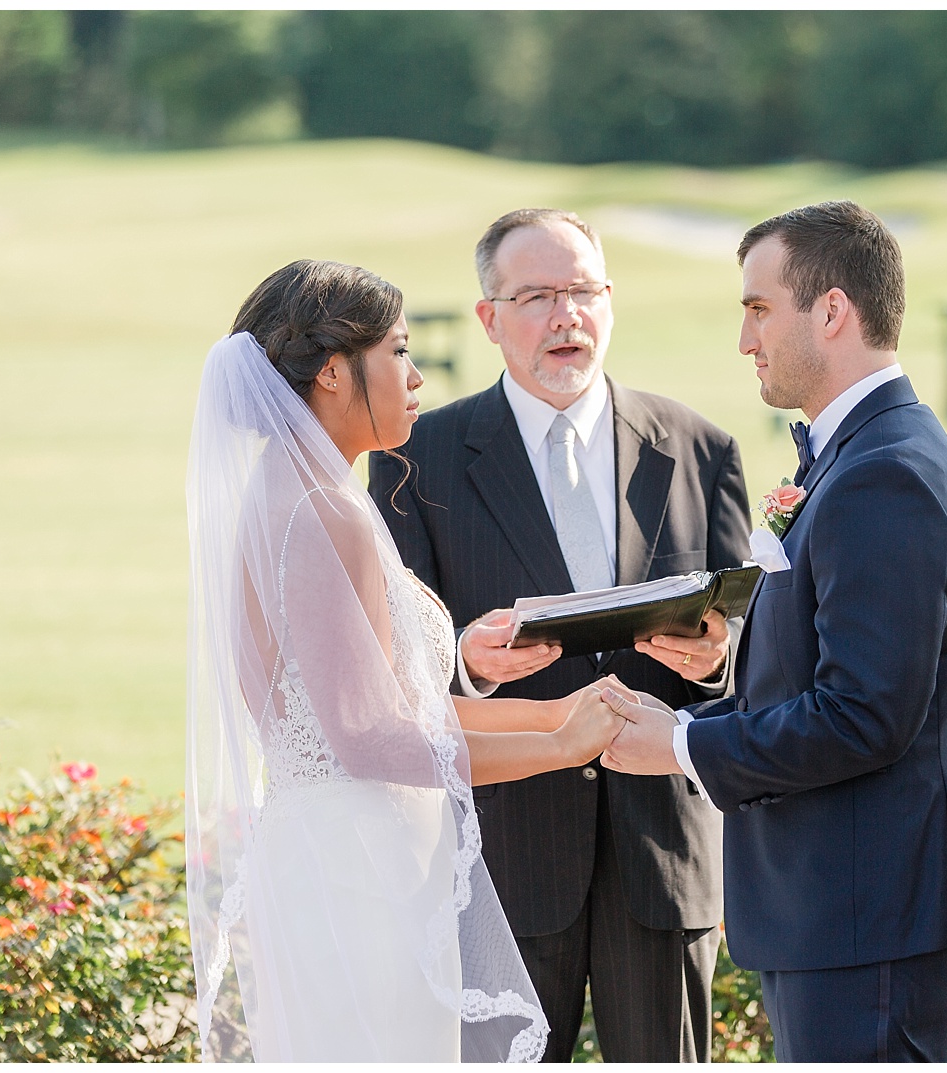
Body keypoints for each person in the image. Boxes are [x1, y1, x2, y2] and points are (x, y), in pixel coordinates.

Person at [603, 201, 947, 1062]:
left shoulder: (886, 474)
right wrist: (720, 668)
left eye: (758, 309)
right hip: (849, 911)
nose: (745, 340)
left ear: (832, 311)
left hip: (871, 916)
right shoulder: (851, 455)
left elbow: (864, 714)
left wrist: (680, 742)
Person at [184, 259, 630, 1062]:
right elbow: (367, 737)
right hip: (360, 871)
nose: (418, 375)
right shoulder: (321, 510)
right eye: (397, 352)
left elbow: (406, 707)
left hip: (355, 856)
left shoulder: (300, 492)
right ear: (331, 372)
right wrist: (561, 747)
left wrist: (562, 711)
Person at [367, 209, 752, 1062]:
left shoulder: (701, 447)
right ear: (489, 317)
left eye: (581, 291)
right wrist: (464, 658)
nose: (564, 315)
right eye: (536, 295)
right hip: (502, 859)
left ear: (610, 301)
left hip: (663, 854)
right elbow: (385, 662)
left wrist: (718, 657)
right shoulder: (415, 458)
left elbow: (752, 652)